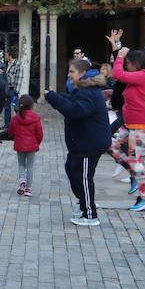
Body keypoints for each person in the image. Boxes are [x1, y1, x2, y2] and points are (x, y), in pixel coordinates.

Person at [45, 59, 111, 227]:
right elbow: (72, 101)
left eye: (72, 71)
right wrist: (57, 95)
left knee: (83, 178)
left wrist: (54, 99)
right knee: (71, 169)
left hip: (89, 144)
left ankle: (90, 214)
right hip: (82, 143)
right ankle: (83, 203)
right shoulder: (82, 89)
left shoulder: (88, 91)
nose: (69, 74)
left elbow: (76, 111)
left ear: (82, 73)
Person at [109, 44, 145, 211]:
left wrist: (120, 56)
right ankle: (134, 175)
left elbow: (117, 73)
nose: (126, 65)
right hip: (130, 123)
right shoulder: (139, 76)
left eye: (129, 63)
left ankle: (144, 197)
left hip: (142, 123)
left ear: (137, 64)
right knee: (112, 146)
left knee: (135, 159)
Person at [8, 95, 43, 196]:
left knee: (21, 164)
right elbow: (40, 134)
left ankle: (22, 181)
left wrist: (14, 136)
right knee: (30, 166)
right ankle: (28, 188)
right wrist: (37, 143)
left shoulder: (16, 118)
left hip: (20, 145)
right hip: (32, 146)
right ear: (32, 105)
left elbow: (10, 131)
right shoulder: (35, 118)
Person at [2, 49, 22, 128]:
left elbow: (19, 78)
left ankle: (20, 123)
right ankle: (7, 124)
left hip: (13, 89)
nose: (5, 57)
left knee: (16, 107)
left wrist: (16, 91)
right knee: (6, 107)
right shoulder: (6, 65)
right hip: (6, 88)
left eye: (6, 55)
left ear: (10, 56)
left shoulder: (18, 65)